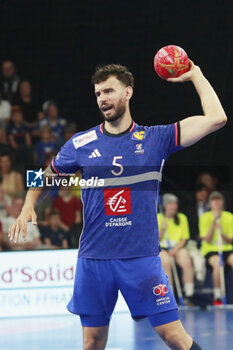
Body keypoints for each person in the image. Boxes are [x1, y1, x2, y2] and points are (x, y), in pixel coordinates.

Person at [9, 61, 227, 350]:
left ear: (128, 92)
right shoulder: (81, 143)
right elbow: (42, 176)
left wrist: (196, 74)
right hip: (94, 261)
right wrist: (28, 206)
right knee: (92, 343)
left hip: (141, 259)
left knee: (174, 336)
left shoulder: (156, 138)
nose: (103, 98)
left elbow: (217, 118)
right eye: (98, 93)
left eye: (109, 91)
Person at [158, 194, 194, 304]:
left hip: (178, 247)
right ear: (165, 206)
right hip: (162, 248)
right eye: (170, 204)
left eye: (175, 204)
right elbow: (155, 239)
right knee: (166, 262)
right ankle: (170, 296)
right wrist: (163, 230)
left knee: (186, 261)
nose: (173, 206)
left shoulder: (182, 217)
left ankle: (189, 295)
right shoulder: (158, 217)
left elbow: (184, 239)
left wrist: (174, 250)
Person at [199, 191, 233, 306]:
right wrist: (214, 224)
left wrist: (222, 232)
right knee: (217, 263)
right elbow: (206, 239)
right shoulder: (204, 217)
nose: (216, 202)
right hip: (210, 250)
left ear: (222, 202)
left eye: (219, 200)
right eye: (214, 200)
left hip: (227, 248)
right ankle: (217, 295)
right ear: (210, 203)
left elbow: (231, 240)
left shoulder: (229, 216)